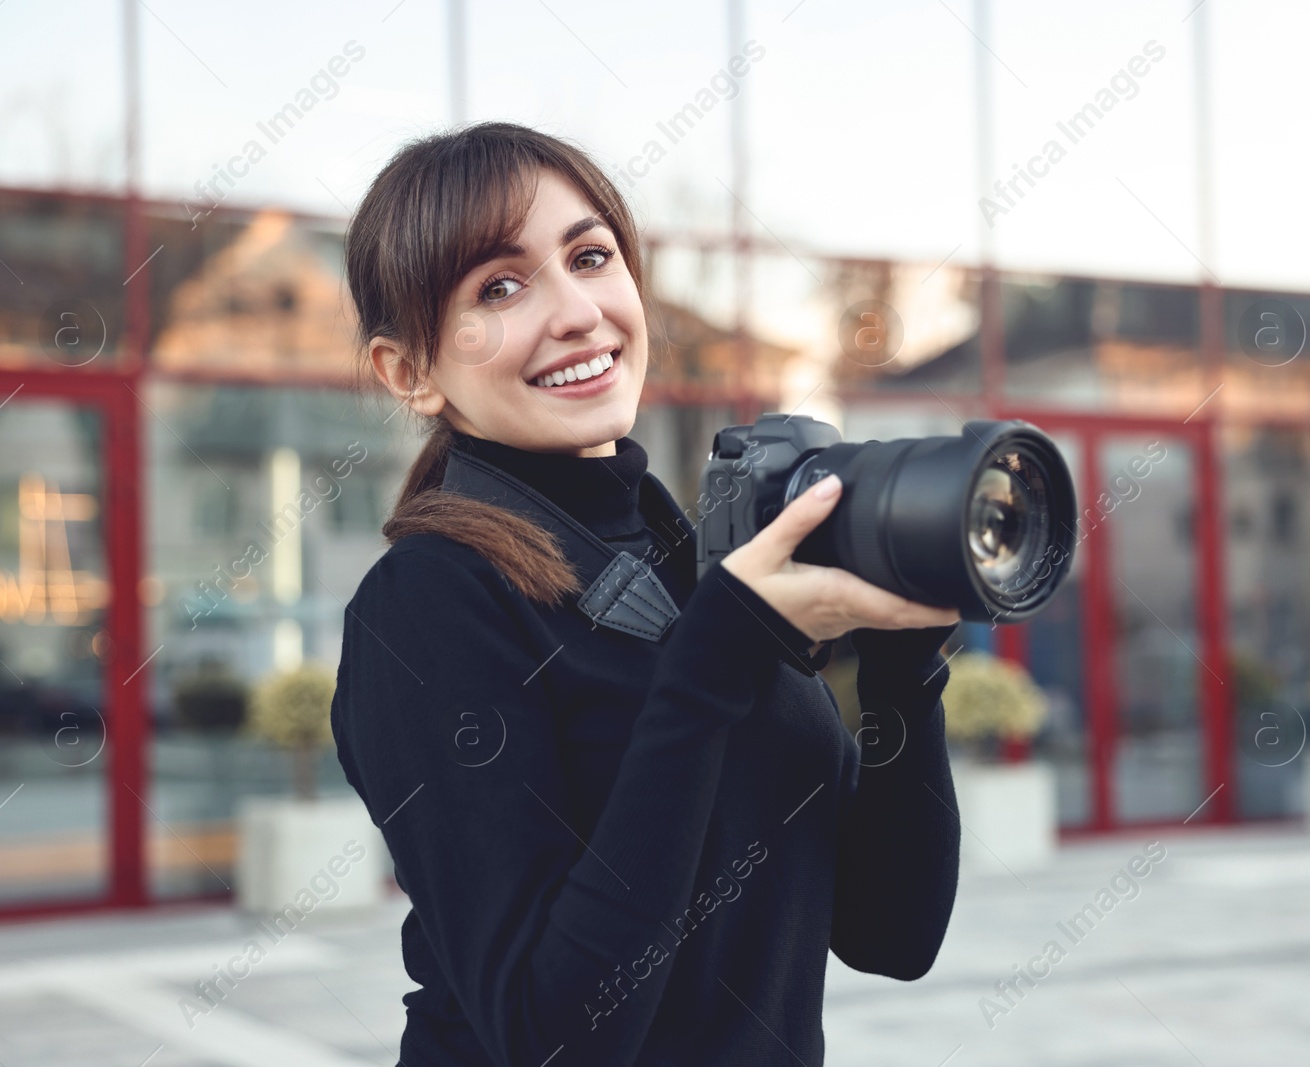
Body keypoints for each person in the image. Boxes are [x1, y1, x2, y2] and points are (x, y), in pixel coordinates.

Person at [331, 120, 963, 1067]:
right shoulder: (425, 607)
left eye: (591, 256)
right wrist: (714, 659)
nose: (577, 311)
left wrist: (908, 660)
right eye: (499, 287)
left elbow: (891, 935)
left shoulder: (695, 566)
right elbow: (554, 1039)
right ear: (409, 370)